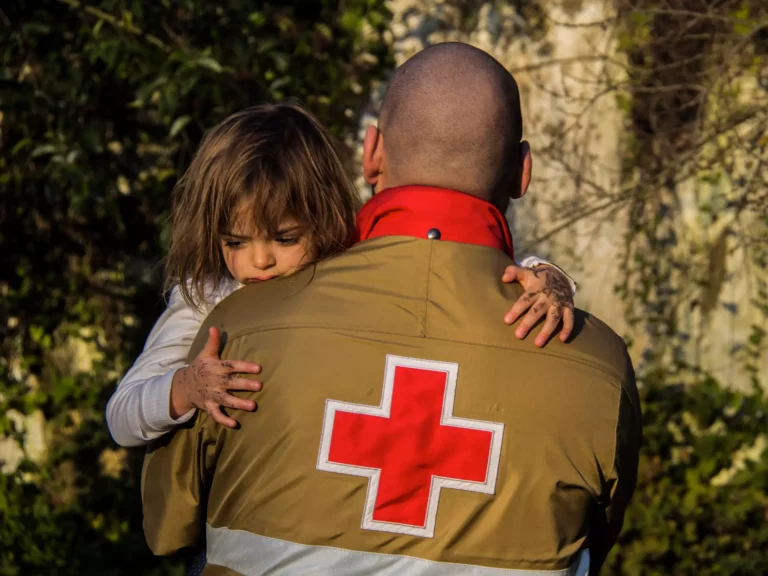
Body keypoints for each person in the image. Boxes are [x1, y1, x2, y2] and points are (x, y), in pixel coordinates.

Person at [142, 43, 641, 574]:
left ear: (372, 153)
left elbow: (167, 527)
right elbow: (596, 540)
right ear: (523, 172)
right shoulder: (599, 364)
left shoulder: (234, 330)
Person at [105, 104, 576, 448]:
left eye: (285, 238)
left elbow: (451, 267)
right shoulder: (206, 296)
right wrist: (185, 387)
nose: (259, 261)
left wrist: (547, 276)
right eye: (235, 242)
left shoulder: (351, 262)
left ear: (325, 216)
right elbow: (122, 415)